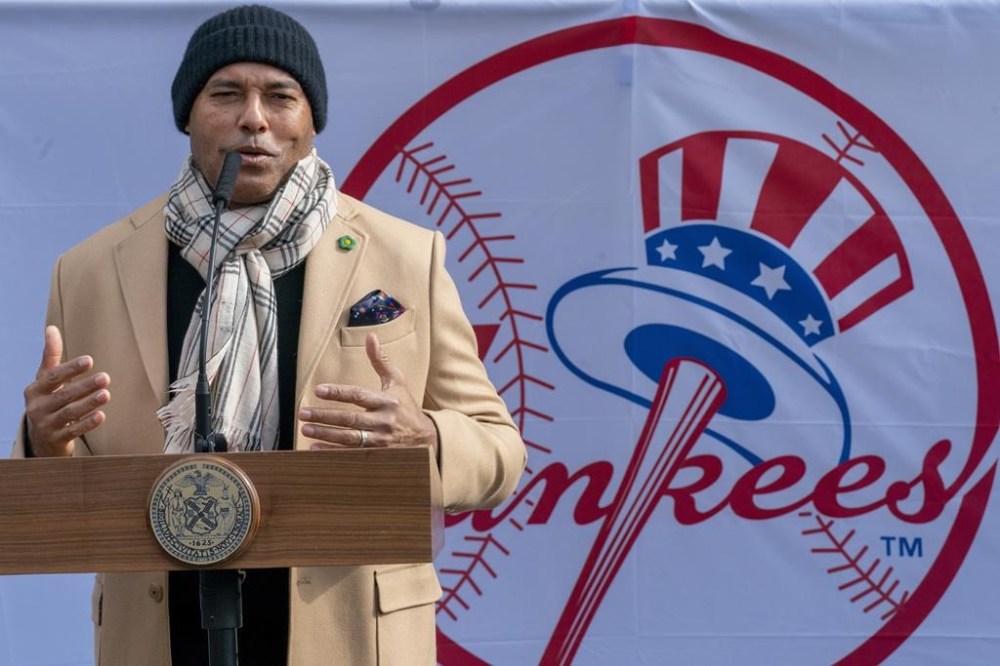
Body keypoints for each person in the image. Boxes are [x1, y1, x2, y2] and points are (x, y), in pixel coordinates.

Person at [13, 5, 526, 665]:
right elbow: (66, 489)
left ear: (310, 122)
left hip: (347, 636)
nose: (254, 118)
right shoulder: (89, 271)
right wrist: (42, 442)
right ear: (189, 118)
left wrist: (425, 437)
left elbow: (500, 454)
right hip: (160, 636)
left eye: (280, 96)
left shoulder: (403, 258)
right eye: (226, 94)